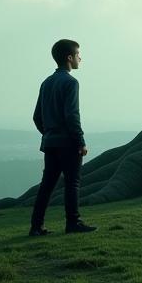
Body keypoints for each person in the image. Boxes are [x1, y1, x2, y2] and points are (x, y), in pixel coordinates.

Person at [28, 39, 97, 235]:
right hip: (68, 143)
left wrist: (49, 134)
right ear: (69, 58)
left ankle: (36, 226)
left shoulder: (46, 82)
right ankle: (73, 223)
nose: (80, 58)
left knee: (47, 186)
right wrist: (80, 141)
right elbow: (72, 116)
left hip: (50, 143)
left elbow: (36, 117)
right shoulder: (71, 82)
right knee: (72, 183)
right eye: (78, 55)